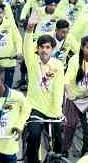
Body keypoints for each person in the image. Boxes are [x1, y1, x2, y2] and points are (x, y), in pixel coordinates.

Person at [23, 23, 65, 161]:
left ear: (52, 49)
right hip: (35, 108)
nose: (44, 50)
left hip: (53, 109)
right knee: (34, 136)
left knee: (59, 141)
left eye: (47, 47)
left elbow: (59, 89)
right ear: (38, 48)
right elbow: (27, 48)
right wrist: (29, 30)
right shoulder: (32, 62)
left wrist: (57, 111)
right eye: (41, 47)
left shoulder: (58, 65)